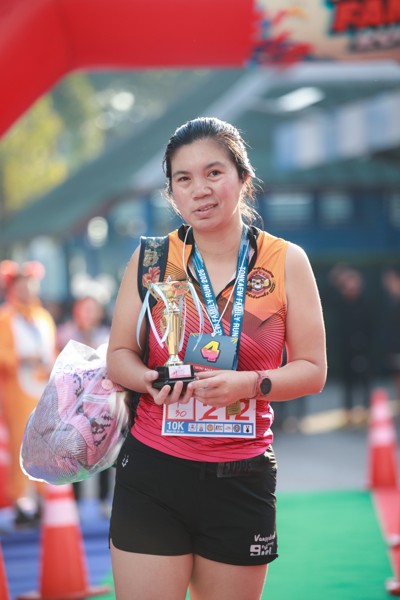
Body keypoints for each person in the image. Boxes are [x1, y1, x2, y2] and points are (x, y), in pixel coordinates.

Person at [107, 117, 327, 600]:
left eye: (213, 173)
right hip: (154, 472)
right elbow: (118, 355)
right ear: (172, 193)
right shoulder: (151, 260)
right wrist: (148, 380)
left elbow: (313, 370)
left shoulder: (286, 260)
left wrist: (249, 384)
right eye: (183, 179)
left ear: (243, 178)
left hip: (241, 478)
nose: (200, 190)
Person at [0, 260, 56, 526]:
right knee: (20, 444)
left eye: (30, 284)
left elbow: (52, 350)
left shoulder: (44, 317)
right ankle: (22, 501)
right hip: (17, 391)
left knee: (45, 442)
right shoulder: (5, 318)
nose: (26, 290)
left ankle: (45, 497)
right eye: (21, 285)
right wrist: (22, 359)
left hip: (43, 390)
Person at [57, 293, 113, 516]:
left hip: (101, 405)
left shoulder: (107, 335)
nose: (88, 315)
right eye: (84, 309)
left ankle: (103, 500)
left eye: (92, 310)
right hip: (73, 406)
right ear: (76, 311)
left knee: (102, 452)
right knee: (74, 453)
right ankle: (75, 503)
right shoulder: (65, 334)